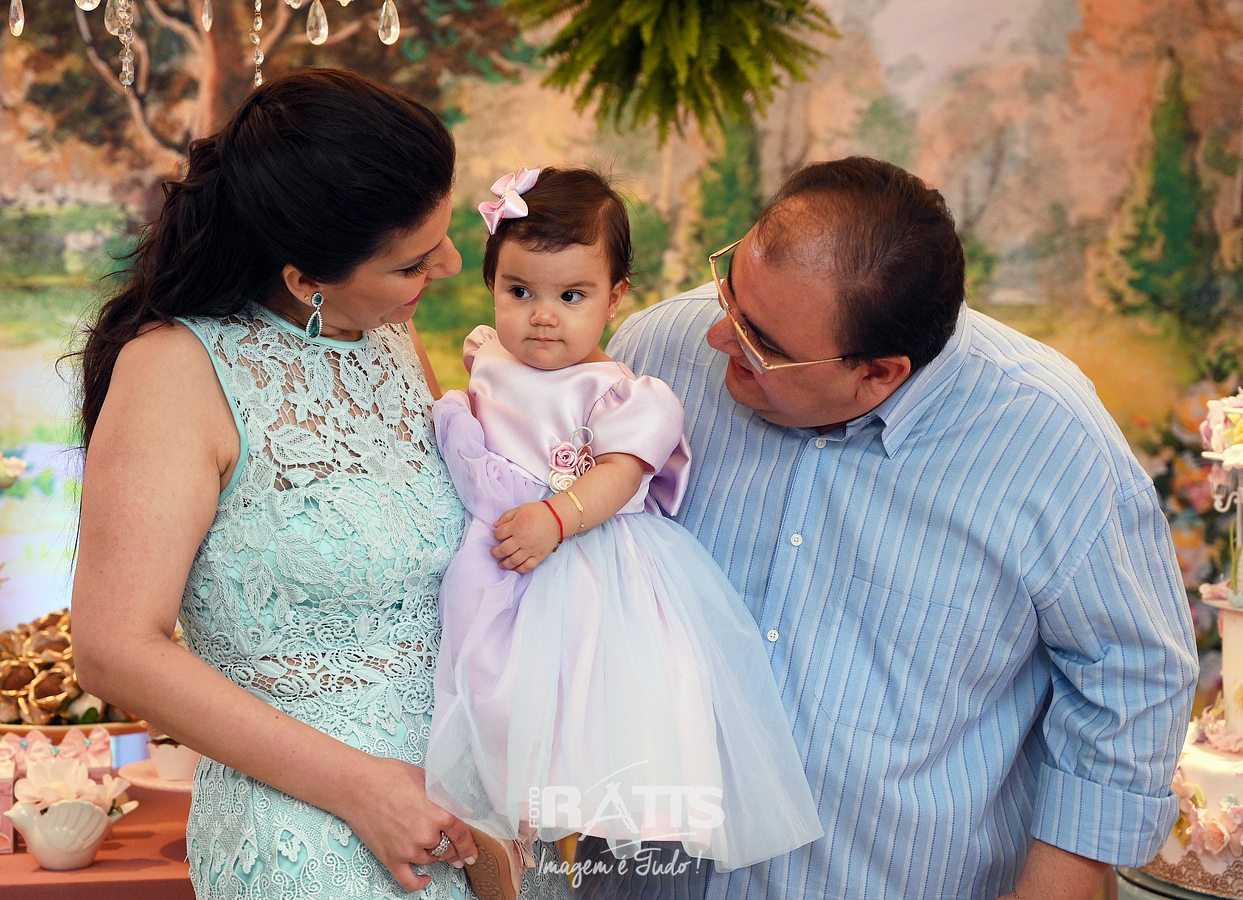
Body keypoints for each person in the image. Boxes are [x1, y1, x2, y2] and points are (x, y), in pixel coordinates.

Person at [574, 156, 1200, 899]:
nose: (715, 337)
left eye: (762, 343)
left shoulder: (1051, 440)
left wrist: (1059, 884)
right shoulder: (650, 360)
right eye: (728, 291)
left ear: (879, 373)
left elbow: (1131, 672)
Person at [69, 68, 571, 900]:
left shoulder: (386, 339)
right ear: (308, 280)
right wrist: (362, 788)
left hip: (463, 811)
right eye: (413, 263)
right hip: (309, 837)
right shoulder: (174, 372)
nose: (451, 264)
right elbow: (113, 648)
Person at [423, 167, 823, 900]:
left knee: (588, 707)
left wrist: (557, 515)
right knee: (492, 691)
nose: (543, 317)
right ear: (492, 287)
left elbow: (622, 469)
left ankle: (584, 828)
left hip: (590, 566)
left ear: (614, 298)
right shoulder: (489, 357)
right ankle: (511, 829)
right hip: (502, 559)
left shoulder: (619, 391)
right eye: (520, 292)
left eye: (571, 296)